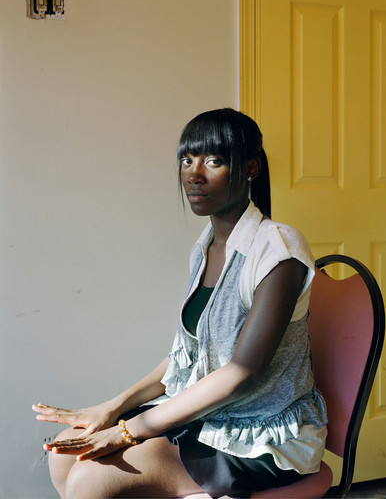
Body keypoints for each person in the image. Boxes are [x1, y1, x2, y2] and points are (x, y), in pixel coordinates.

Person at [33, 108, 327, 499]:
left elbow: (242, 373)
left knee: (92, 478)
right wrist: (112, 408)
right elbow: (185, 358)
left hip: (260, 432)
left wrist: (129, 430)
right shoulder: (205, 247)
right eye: (187, 160)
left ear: (251, 169)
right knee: (63, 454)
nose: (194, 174)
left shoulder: (278, 250)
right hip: (209, 414)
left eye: (213, 161)